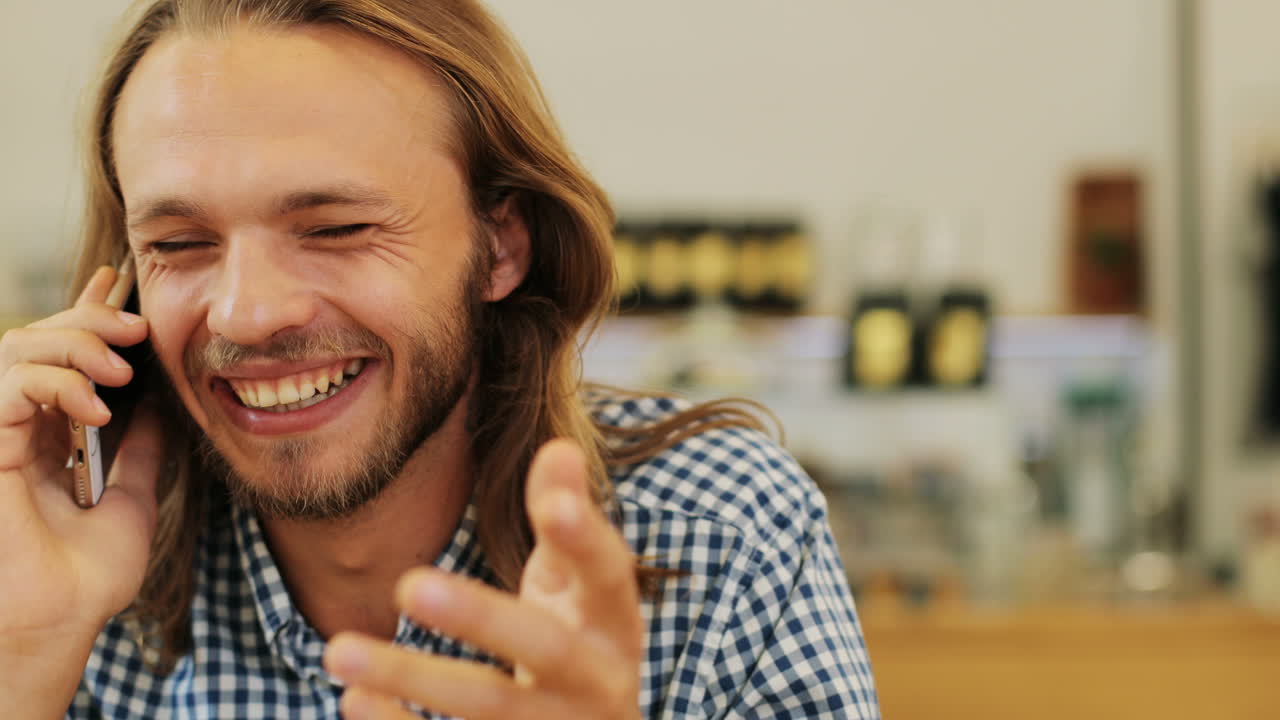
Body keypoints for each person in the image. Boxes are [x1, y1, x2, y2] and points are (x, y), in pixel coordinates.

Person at [0, 0, 879, 717]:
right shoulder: (70, 569)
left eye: (337, 229)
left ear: (500, 247)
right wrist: (23, 664)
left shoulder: (721, 545)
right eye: (181, 242)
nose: (246, 312)